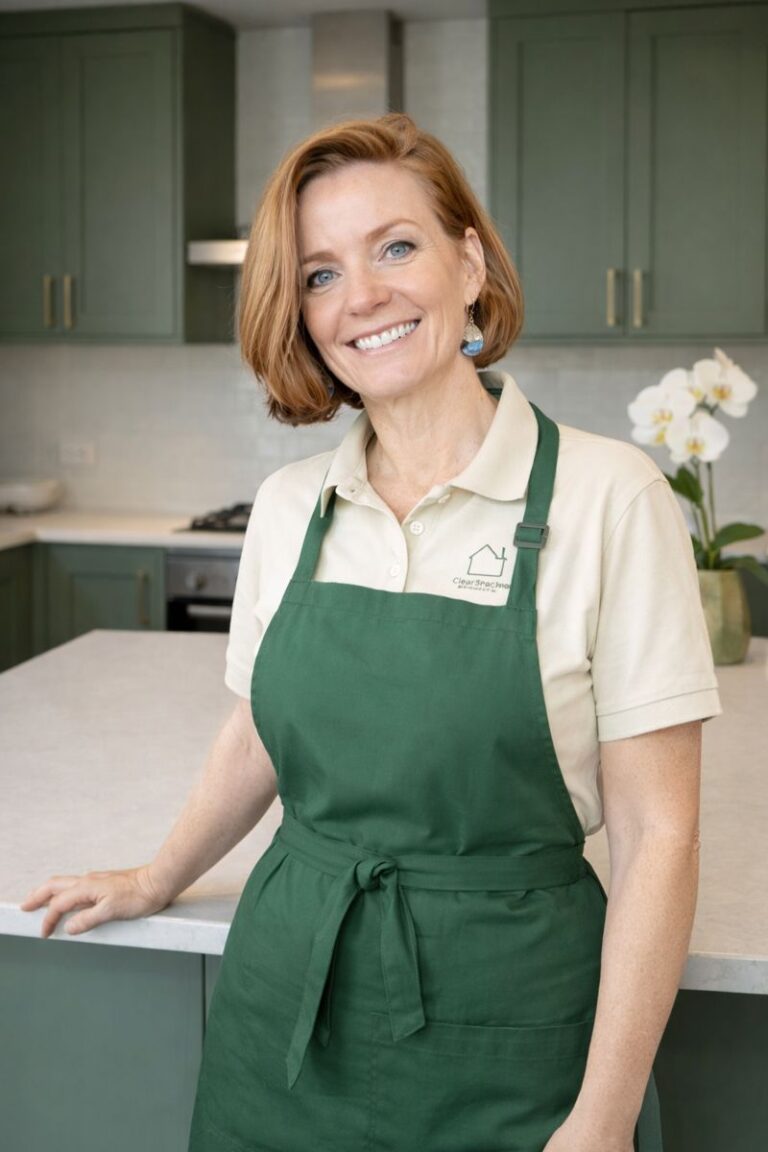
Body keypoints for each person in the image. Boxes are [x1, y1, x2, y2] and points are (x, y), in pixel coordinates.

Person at [21, 114, 721, 1152]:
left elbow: (660, 837)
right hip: (284, 1023)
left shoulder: (610, 497)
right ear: (300, 314)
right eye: (320, 274)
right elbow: (257, 732)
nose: (364, 297)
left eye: (396, 246)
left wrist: (604, 1118)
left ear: (469, 262)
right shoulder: (292, 503)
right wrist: (156, 875)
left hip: (520, 1041)